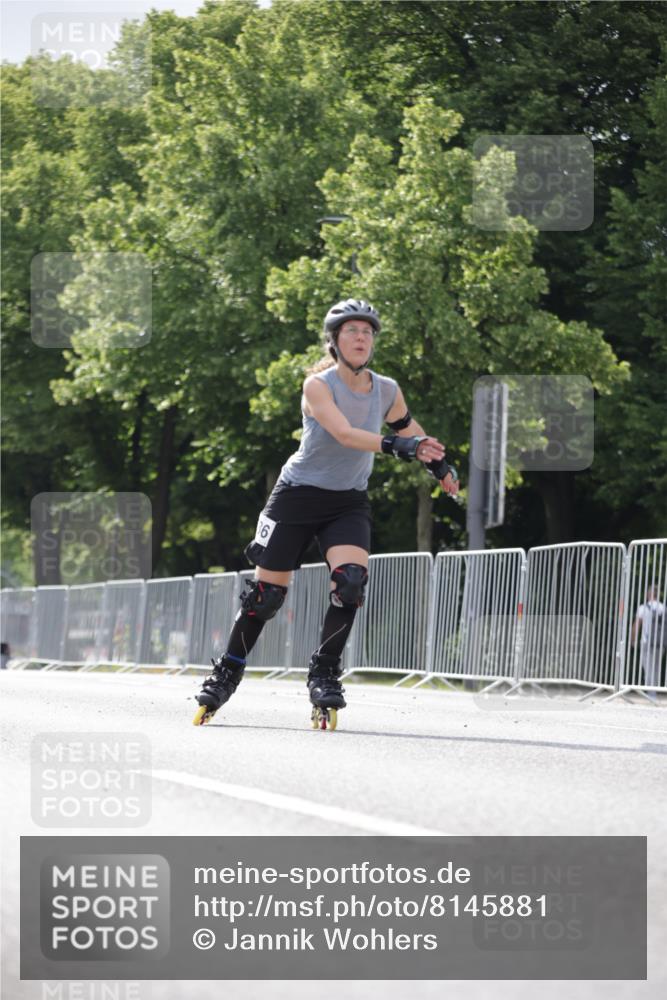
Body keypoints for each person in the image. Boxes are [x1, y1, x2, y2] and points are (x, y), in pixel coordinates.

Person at [193, 298, 459, 728]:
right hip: (296, 496)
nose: (361, 338)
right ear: (335, 341)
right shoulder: (318, 385)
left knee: (350, 583)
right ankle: (228, 670)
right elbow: (345, 434)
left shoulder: (387, 389)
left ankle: (324, 673)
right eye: (351, 331)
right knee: (265, 598)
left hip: (346, 501)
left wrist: (437, 463)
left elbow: (410, 430)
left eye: (367, 332)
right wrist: (396, 446)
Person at [631, 585, 665, 699]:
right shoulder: (663, 607)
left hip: (646, 642)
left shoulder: (643, 608)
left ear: (649, 594)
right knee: (656, 668)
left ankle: (652, 695)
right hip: (660, 643)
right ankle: (654, 692)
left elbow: (637, 625)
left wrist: (633, 639)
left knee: (648, 668)